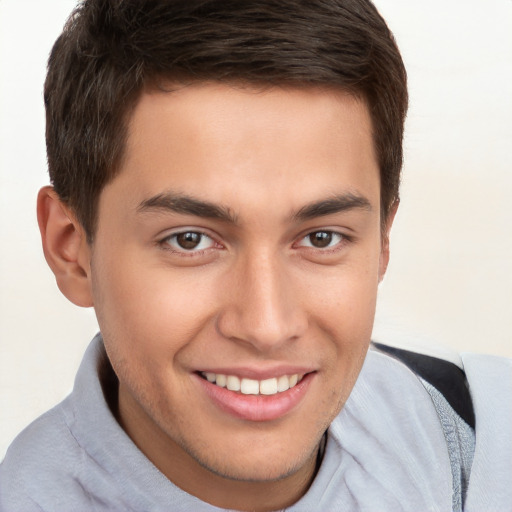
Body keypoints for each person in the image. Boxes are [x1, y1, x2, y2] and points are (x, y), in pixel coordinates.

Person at [0, 0, 510, 510]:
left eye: (321, 238)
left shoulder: (489, 438)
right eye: (190, 240)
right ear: (71, 249)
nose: (266, 326)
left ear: (382, 242)